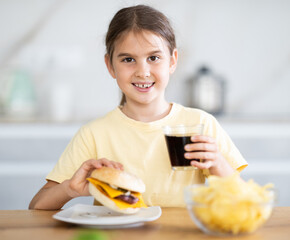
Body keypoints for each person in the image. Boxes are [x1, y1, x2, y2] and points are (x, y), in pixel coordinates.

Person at [29, 5, 247, 210]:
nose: (142, 72)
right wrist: (70, 188)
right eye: (128, 60)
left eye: (153, 58)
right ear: (110, 65)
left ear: (172, 61)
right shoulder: (94, 134)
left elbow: (242, 200)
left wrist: (217, 163)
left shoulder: (200, 125)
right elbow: (37, 205)